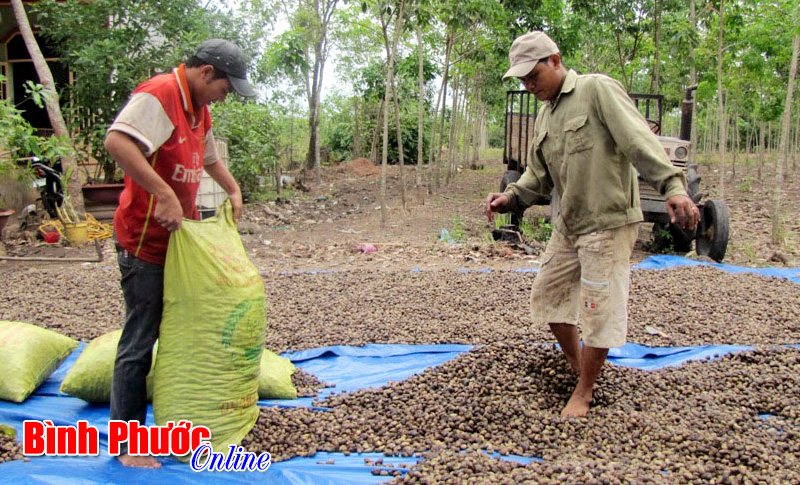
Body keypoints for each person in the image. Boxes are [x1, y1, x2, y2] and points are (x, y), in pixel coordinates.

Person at [483, 31, 700, 418]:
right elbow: (538, 175)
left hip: (608, 223)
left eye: (533, 76)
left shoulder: (596, 90)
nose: (529, 86)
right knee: (548, 299)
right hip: (569, 224)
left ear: (555, 59)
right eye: (523, 81)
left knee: (598, 309)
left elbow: (637, 140)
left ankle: (584, 392)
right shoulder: (545, 115)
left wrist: (672, 186)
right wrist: (511, 197)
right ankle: (578, 366)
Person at [103, 39, 256, 468]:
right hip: (144, 242)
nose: (224, 98)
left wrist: (232, 186)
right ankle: (127, 443)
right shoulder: (160, 94)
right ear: (206, 73)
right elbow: (117, 142)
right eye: (225, 89)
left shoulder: (198, 107)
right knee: (140, 340)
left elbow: (207, 155)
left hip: (177, 244)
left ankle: (184, 419)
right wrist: (165, 193)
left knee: (181, 334)